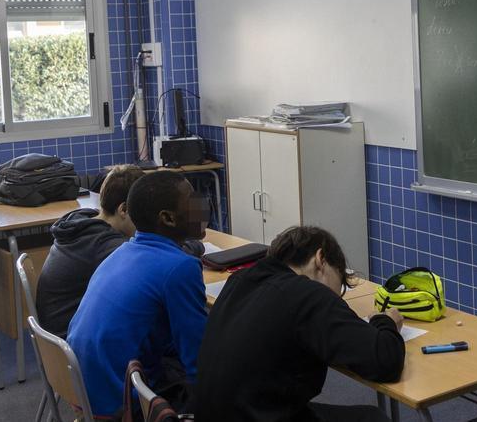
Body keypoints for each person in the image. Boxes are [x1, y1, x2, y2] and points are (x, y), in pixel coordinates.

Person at [195, 226, 405, 422]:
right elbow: (385, 360)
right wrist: (386, 321)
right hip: (256, 414)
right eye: (339, 284)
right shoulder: (308, 294)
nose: (337, 297)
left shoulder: (241, 279)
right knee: (372, 417)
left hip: (212, 413)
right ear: (321, 259)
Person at [67, 171, 211, 418]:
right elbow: (198, 359)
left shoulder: (121, 251)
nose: (202, 206)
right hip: (124, 402)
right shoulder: (181, 268)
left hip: (83, 389)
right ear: (167, 218)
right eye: (192, 201)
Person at [36, 164, 144, 337]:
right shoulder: (105, 244)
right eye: (143, 213)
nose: (146, 222)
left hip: (57, 337)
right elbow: (150, 263)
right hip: (73, 340)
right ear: (123, 209)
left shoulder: (83, 222)